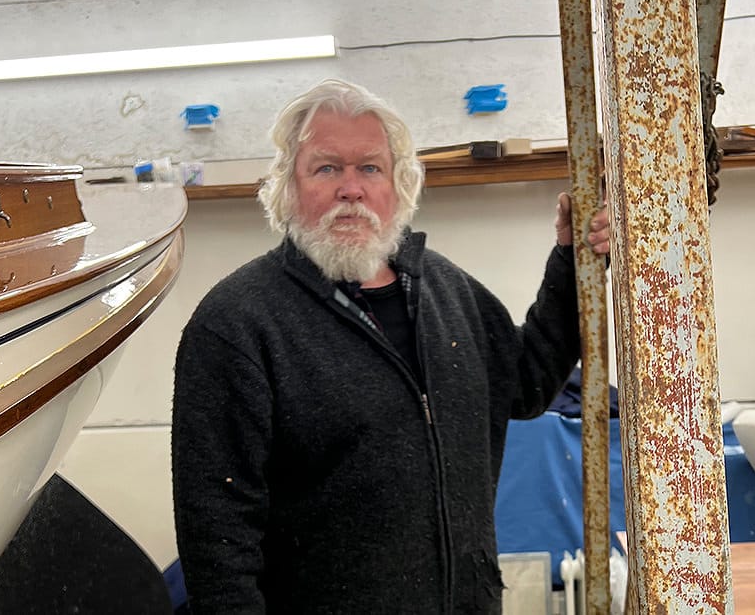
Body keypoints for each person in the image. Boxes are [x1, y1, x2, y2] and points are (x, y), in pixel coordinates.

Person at [171, 78, 610, 614]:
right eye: (326, 168)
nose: (350, 189)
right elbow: (217, 540)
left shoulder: (446, 291)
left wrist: (573, 261)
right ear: (286, 188)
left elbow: (529, 382)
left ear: (398, 188)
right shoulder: (237, 323)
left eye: (370, 168)